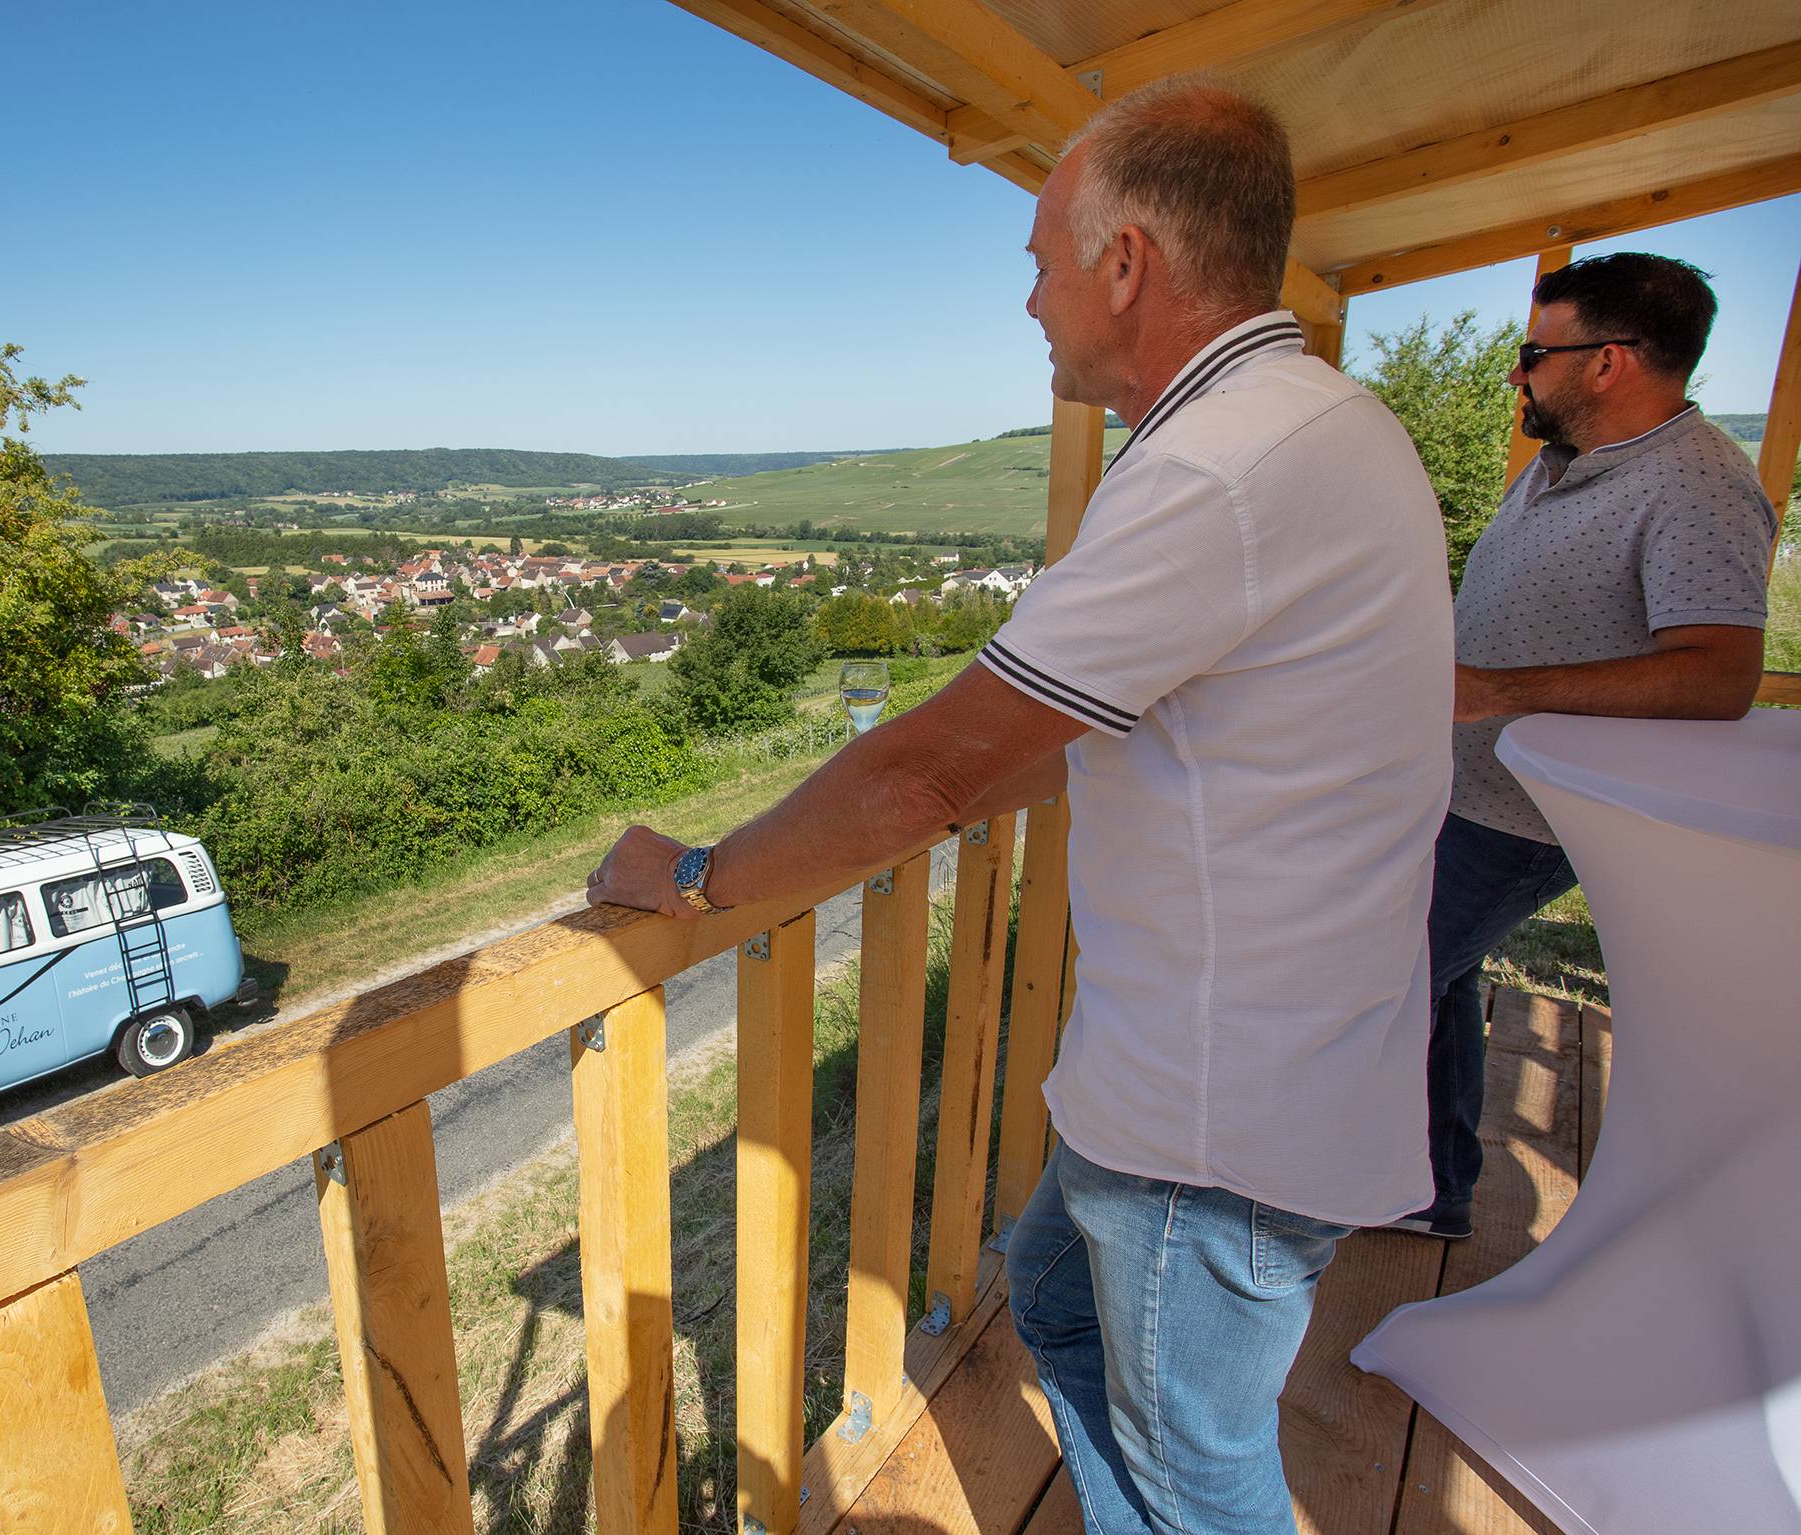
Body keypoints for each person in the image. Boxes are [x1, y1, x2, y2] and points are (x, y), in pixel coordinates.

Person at [589, 76, 1451, 1535]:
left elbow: (922, 766)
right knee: (1050, 1301)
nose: (1030, 302)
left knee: (1200, 1473)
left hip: (1210, 1116)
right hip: (1264, 1058)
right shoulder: (1325, 422)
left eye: (1041, 259)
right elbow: (1105, 728)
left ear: (1128, 264)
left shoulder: (1214, 467)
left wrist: (691, 870)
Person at [1390, 252, 1776, 1241]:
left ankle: (1358, 1182)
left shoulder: (1695, 488)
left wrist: (1495, 694)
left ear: (1605, 362)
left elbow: (1715, 676)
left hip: (1520, 812)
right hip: (1464, 782)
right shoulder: (1565, 462)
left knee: (1385, 969)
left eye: (1532, 351)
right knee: (1435, 973)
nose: (1516, 372)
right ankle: (1430, 1185)